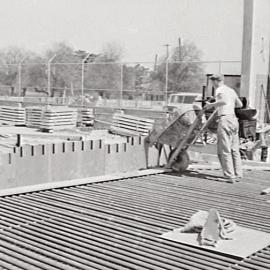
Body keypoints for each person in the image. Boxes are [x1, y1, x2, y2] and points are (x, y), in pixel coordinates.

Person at [205, 74, 243, 183]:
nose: (212, 85)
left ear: (216, 81)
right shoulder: (231, 90)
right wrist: (229, 105)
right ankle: (238, 174)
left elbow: (224, 101)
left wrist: (211, 105)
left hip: (225, 119)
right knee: (234, 149)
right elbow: (239, 104)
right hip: (233, 119)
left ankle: (229, 176)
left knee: (224, 149)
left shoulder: (219, 90)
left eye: (212, 82)